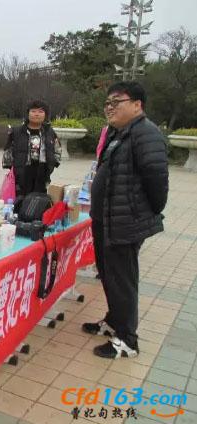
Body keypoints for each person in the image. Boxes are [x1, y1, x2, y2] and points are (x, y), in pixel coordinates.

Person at [83, 81, 169, 359]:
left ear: (137, 104)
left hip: (125, 222)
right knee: (108, 274)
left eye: (116, 102)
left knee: (122, 280)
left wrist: (140, 214)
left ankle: (127, 340)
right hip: (106, 219)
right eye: (107, 103)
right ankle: (113, 321)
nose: (110, 108)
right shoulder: (118, 133)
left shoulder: (146, 134)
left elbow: (157, 183)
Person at [2, 100, 61, 200]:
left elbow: (57, 149)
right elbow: (8, 150)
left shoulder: (49, 132)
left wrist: (52, 165)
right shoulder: (16, 131)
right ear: (28, 113)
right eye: (33, 111)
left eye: (41, 111)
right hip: (22, 171)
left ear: (45, 114)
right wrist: (12, 168)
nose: (37, 114)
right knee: (20, 200)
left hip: (42, 171)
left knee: (38, 200)